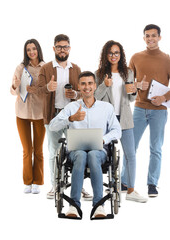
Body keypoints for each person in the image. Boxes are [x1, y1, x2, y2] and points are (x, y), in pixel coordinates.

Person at [49, 71, 121, 218]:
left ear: (95, 86)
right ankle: (74, 205)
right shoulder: (71, 107)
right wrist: (70, 118)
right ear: (79, 87)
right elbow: (52, 126)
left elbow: (117, 131)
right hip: (76, 151)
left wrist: (103, 139)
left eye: (90, 83)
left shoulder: (106, 107)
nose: (87, 87)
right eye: (83, 84)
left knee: (93, 154)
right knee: (81, 155)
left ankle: (99, 204)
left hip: (99, 150)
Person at [129, 24, 170, 197]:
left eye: (153, 35)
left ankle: (152, 184)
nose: (150, 38)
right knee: (131, 147)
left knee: (156, 148)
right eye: (147, 35)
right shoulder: (136, 57)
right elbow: (127, 85)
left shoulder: (167, 60)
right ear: (143, 38)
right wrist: (137, 85)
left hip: (159, 111)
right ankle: (125, 182)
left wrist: (163, 98)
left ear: (160, 37)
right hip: (139, 108)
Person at [35, 34, 91, 200]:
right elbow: (38, 92)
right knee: (53, 151)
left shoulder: (76, 69)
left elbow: (84, 92)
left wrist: (75, 94)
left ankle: (78, 186)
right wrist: (47, 87)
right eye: (59, 47)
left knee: (77, 150)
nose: (62, 50)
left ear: (69, 48)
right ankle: (54, 185)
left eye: (65, 47)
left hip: (73, 115)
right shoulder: (45, 69)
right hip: (53, 115)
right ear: (54, 48)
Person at [95, 40, 148, 203]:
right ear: (106, 55)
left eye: (116, 53)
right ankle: (107, 187)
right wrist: (104, 85)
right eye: (110, 53)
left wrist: (135, 90)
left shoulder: (128, 72)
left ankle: (131, 190)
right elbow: (94, 97)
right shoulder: (98, 74)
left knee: (130, 154)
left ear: (121, 55)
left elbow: (131, 98)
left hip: (124, 118)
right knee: (105, 154)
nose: (113, 56)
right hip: (106, 120)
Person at [10, 39, 45, 194]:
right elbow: (12, 91)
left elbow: (49, 90)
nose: (31, 52)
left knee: (38, 149)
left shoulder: (46, 67)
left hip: (39, 113)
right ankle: (28, 181)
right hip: (22, 113)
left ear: (38, 50)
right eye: (28, 49)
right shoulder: (20, 67)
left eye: (34, 49)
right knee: (26, 150)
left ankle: (38, 181)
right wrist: (15, 86)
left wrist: (36, 89)